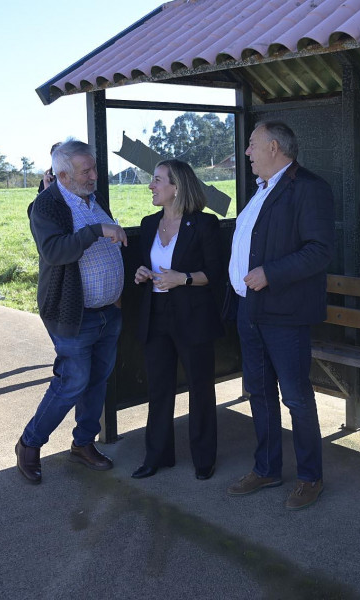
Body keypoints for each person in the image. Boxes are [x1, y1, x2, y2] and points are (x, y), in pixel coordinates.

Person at [226, 121, 335, 510]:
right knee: (258, 391)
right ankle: (268, 468)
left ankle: (310, 477)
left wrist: (270, 273)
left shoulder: (308, 188)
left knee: (295, 396)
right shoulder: (263, 189)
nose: (247, 152)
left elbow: (319, 251)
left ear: (273, 147)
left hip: (284, 312)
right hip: (251, 309)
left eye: (252, 145)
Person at [15, 139, 127, 484]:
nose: (94, 175)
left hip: (108, 311)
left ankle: (83, 444)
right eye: (86, 170)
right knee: (73, 381)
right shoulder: (46, 206)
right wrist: (96, 231)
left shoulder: (92, 198)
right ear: (62, 174)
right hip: (72, 313)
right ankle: (30, 444)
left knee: (97, 381)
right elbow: (55, 252)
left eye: (94, 168)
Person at [131, 159, 223, 481]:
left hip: (193, 318)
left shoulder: (204, 225)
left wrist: (182, 278)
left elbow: (215, 275)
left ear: (176, 187)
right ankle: (156, 456)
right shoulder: (147, 224)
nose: (151, 186)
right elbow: (149, 267)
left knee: (200, 389)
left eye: (157, 180)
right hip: (156, 316)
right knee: (158, 389)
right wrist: (143, 273)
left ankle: (203, 458)